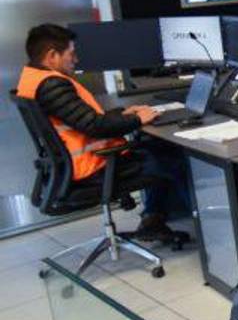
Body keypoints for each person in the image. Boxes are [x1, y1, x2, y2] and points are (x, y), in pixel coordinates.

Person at [15, 24, 191, 239]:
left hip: (74, 166)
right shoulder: (52, 85)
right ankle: (208, 229)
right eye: (71, 53)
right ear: (52, 55)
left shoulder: (33, 79)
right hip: (95, 167)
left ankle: (152, 219)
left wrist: (123, 113)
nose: (76, 59)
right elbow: (95, 126)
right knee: (178, 158)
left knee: (158, 147)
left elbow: (81, 119)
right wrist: (137, 119)